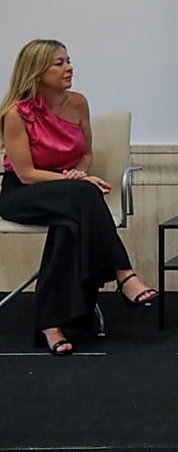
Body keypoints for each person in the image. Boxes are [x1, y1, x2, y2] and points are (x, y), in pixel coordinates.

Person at [0, 39, 157, 356]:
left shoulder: (78, 103)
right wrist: (74, 181)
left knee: (69, 225)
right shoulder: (16, 114)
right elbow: (27, 174)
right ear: (37, 72)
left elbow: (85, 155)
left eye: (68, 60)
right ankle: (123, 273)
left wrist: (78, 174)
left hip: (69, 190)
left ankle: (50, 325)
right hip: (24, 193)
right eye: (59, 63)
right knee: (83, 195)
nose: (69, 68)